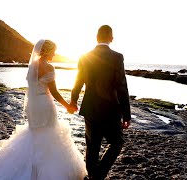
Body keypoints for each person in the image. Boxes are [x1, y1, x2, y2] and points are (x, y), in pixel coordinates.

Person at [0, 39, 86, 180]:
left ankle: (32, 166)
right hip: (44, 104)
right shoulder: (49, 68)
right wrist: (68, 106)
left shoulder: (32, 66)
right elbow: (54, 92)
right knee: (49, 133)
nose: (54, 53)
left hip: (33, 105)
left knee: (35, 133)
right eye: (53, 51)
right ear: (47, 51)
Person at [70, 25, 131, 180]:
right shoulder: (117, 57)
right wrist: (127, 115)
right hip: (111, 109)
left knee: (92, 146)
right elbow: (121, 86)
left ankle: (93, 176)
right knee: (117, 143)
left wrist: (73, 100)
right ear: (111, 38)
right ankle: (98, 176)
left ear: (96, 38)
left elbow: (78, 81)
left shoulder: (84, 57)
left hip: (90, 108)